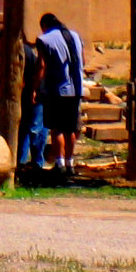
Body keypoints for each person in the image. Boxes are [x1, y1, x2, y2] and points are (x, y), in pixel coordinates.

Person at [37, 12, 85, 175]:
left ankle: (59, 163)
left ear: (44, 26)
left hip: (57, 89)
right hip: (76, 89)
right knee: (70, 128)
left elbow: (42, 65)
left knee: (56, 128)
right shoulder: (75, 36)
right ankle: (70, 162)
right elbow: (82, 61)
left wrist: (37, 87)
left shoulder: (44, 40)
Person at [0, 28, 45, 170]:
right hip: (22, 94)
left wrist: (34, 90)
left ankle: (37, 163)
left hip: (36, 92)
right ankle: (21, 161)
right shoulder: (4, 54)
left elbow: (36, 71)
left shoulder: (23, 52)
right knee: (22, 127)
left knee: (36, 127)